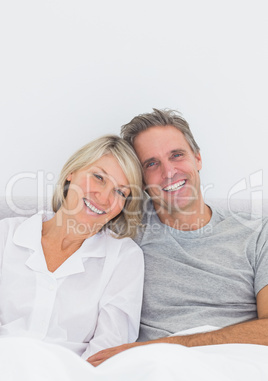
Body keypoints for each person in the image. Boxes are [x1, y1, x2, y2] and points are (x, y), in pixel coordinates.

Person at [88, 108, 268, 367]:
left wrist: (168, 346)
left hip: (237, 366)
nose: (169, 172)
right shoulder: (122, 232)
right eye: (151, 164)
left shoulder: (258, 233)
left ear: (197, 159)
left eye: (177, 155)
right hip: (156, 373)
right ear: (140, 179)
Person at [0, 135, 144, 360]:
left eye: (120, 192)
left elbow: (109, 351)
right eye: (98, 177)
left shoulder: (124, 257)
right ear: (71, 173)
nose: (104, 198)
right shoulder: (6, 235)